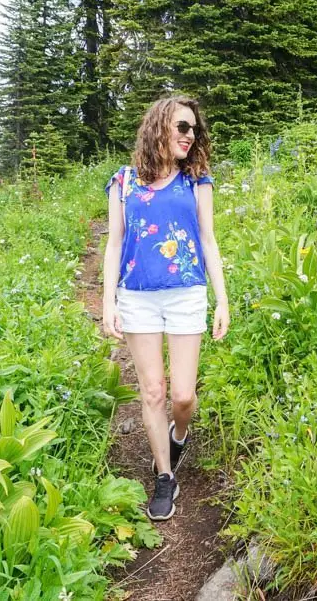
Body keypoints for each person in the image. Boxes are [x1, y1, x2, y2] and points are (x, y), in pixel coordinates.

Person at [101, 95, 229, 521]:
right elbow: (115, 243)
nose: (190, 137)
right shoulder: (123, 181)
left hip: (186, 293)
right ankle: (164, 475)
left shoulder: (197, 180)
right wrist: (108, 300)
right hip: (136, 295)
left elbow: (208, 240)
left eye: (194, 130)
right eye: (182, 127)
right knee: (152, 391)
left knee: (182, 395)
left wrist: (221, 299)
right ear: (159, 127)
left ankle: (180, 433)